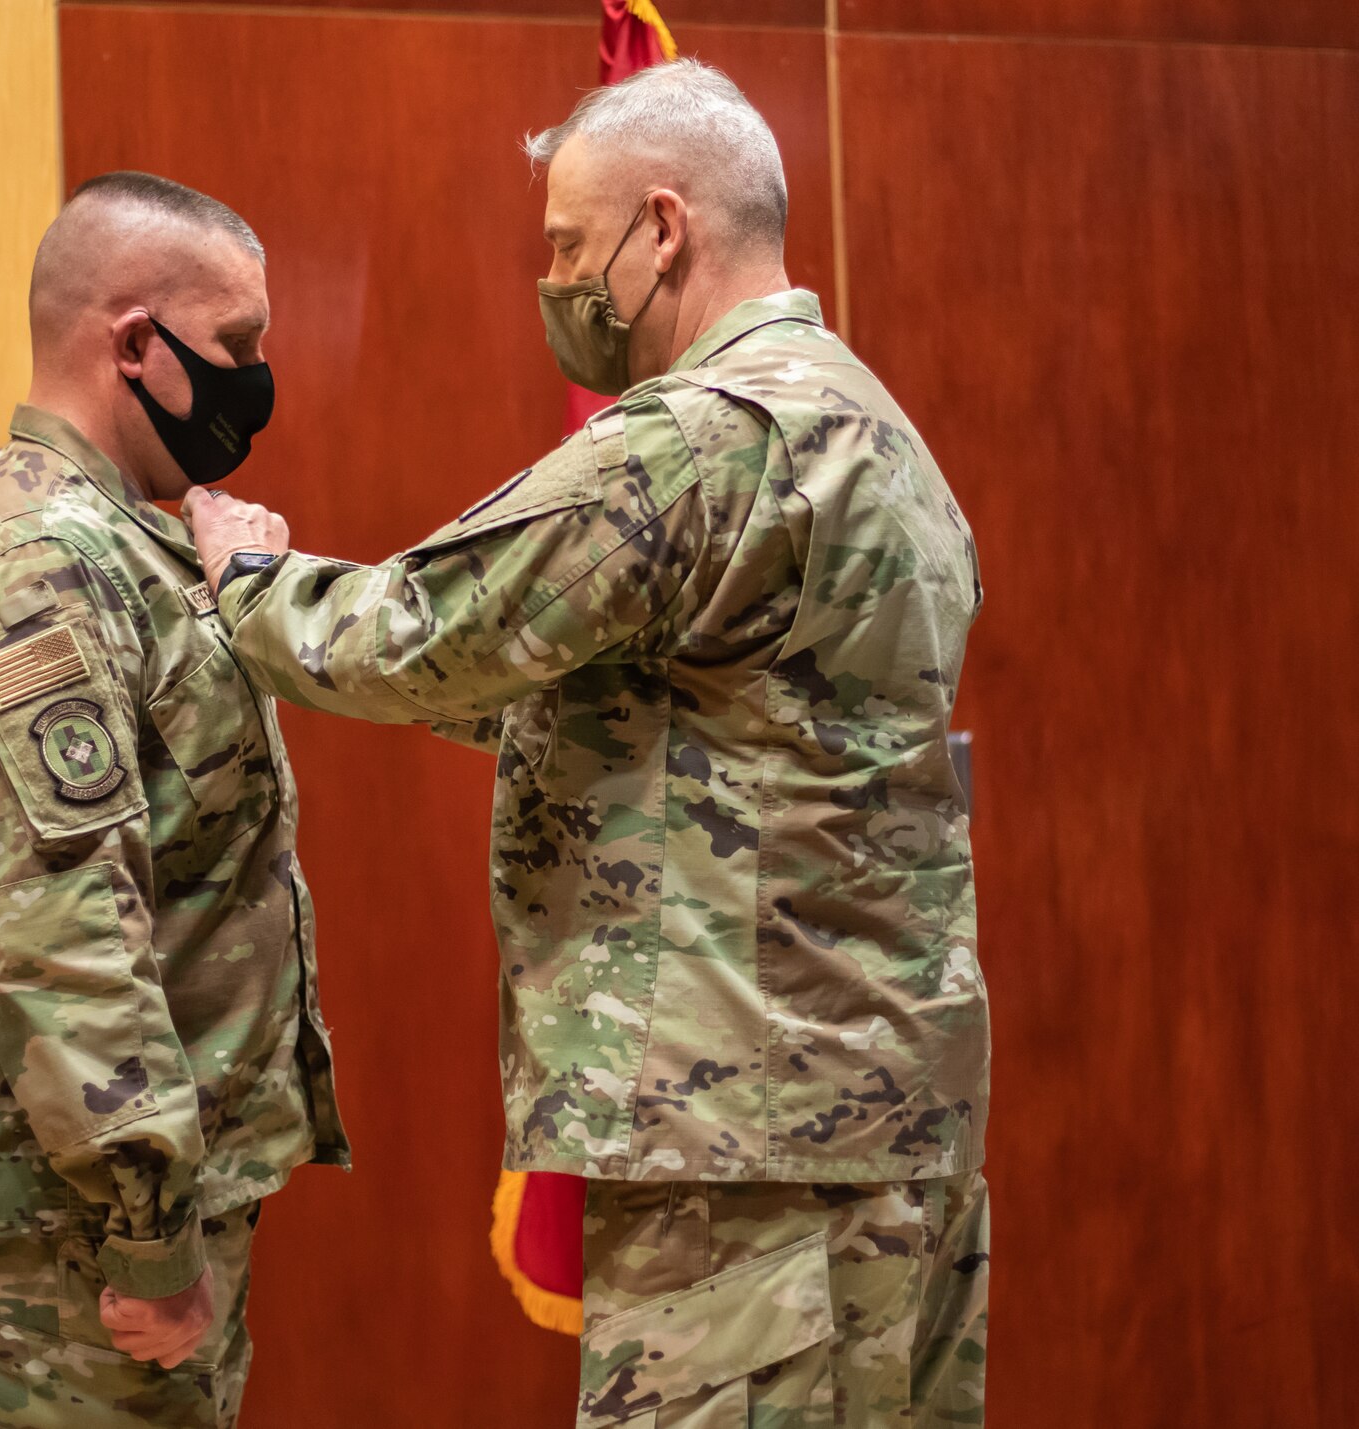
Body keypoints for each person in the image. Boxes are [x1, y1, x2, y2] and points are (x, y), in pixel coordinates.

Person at [186, 60, 990, 1425]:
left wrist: (245, 582)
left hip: (738, 1155)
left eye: (568, 245)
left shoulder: (697, 440)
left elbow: (432, 629)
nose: (554, 281)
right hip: (894, 1129)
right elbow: (641, 704)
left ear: (662, 229)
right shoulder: (879, 429)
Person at [0, 171, 347, 1429]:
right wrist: (145, 1225)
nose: (253, 378)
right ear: (135, 344)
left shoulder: (131, 543)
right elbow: (61, 929)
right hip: (58, 1244)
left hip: (98, 1219)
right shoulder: (40, 568)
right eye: (234, 346)